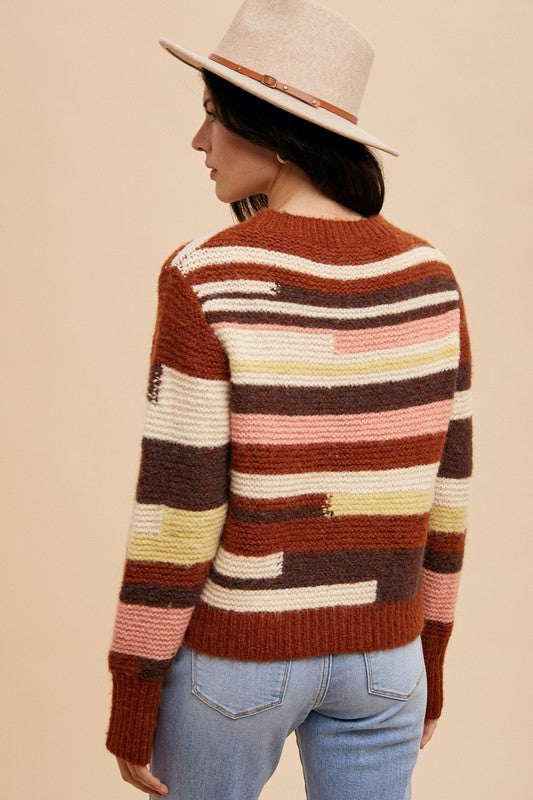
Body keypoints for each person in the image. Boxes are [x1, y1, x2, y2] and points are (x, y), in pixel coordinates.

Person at [105, 2, 473, 798]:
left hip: (241, 660)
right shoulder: (431, 277)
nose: (198, 141)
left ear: (271, 132)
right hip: (386, 665)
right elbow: (446, 500)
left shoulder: (205, 275)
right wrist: (429, 663)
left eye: (212, 116)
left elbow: (179, 509)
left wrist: (134, 690)